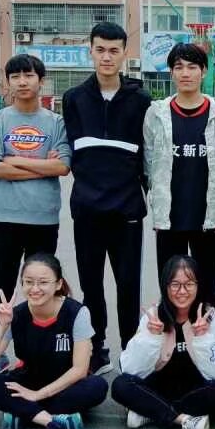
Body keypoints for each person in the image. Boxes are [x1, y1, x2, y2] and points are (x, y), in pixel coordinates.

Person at [62, 22, 152, 375]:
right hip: (87, 209)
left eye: (114, 50)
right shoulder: (74, 99)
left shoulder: (141, 101)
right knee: (91, 286)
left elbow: (147, 155)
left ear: (124, 53)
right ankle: (96, 348)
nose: (107, 57)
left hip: (127, 210)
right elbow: (74, 153)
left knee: (128, 286)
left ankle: (131, 351)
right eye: (100, 49)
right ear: (90, 51)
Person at [0, 54, 70, 370]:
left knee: (42, 287)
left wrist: (12, 159)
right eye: (15, 76)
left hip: (44, 218)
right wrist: (43, 165)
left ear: (41, 81)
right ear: (7, 82)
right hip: (5, 218)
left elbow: (63, 166)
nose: (22, 81)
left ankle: (37, 350)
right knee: (1, 286)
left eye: (28, 75)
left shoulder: (55, 123)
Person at [143, 43, 215, 311]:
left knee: (207, 288)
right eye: (179, 67)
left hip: (208, 218)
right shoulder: (157, 113)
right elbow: (148, 160)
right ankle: (173, 334)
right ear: (171, 72)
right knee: (171, 286)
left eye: (192, 67)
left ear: (203, 71)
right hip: (169, 218)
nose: (185, 73)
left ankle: (210, 333)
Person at [0, 253, 108, 429]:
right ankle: (49, 420)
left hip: (64, 385)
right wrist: (1, 325)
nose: (35, 289)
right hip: (27, 381)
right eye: (28, 282)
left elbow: (79, 370)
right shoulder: (16, 314)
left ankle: (22, 414)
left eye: (43, 282)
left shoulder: (77, 313)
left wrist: (37, 395)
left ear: (58, 284)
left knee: (97, 387)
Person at [112, 255, 215, 429]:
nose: (182, 291)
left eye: (189, 284)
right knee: (120, 385)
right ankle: (185, 419)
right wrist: (151, 337)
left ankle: (151, 412)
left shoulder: (210, 316)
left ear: (198, 286)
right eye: (175, 284)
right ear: (165, 286)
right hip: (159, 389)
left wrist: (203, 338)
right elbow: (130, 369)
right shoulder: (154, 316)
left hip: (196, 390)